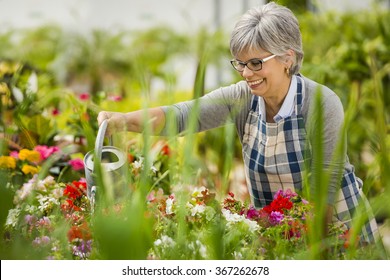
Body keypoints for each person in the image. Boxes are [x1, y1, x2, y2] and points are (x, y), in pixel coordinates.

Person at [97, 2, 379, 244]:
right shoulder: (242, 99)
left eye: (256, 63)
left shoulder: (320, 103)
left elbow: (324, 192)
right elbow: (181, 116)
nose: (246, 73)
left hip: (338, 233)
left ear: (287, 58)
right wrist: (123, 120)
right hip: (282, 237)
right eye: (240, 63)